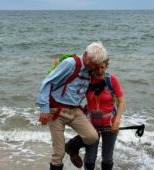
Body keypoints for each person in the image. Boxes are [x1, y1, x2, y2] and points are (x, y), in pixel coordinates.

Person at [36, 42, 108, 170]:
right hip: (56, 111)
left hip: (74, 111)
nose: (92, 67)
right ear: (85, 54)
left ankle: (71, 147)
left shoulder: (90, 69)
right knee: (58, 153)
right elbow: (47, 82)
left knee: (92, 137)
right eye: (91, 63)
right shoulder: (70, 64)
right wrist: (44, 109)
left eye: (95, 65)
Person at [69, 57, 125, 170]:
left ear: (106, 67)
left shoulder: (111, 80)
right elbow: (73, 92)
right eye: (97, 68)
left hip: (110, 124)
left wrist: (117, 121)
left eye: (102, 68)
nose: (99, 71)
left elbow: (121, 101)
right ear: (92, 67)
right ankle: (71, 147)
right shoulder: (86, 80)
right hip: (91, 125)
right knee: (90, 159)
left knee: (107, 158)